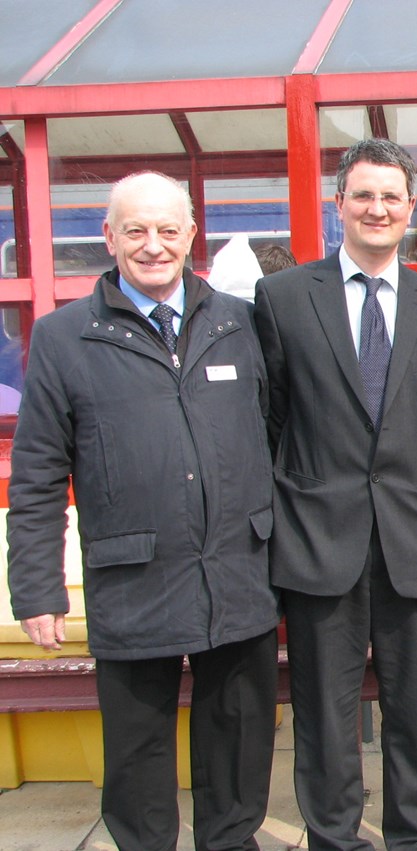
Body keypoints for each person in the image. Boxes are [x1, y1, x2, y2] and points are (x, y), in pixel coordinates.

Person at [6, 171, 279, 851]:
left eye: (166, 229)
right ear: (109, 236)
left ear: (191, 235)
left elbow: (278, 440)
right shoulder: (66, 337)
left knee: (238, 739)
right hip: (133, 574)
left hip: (236, 568)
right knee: (136, 755)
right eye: (135, 230)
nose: (152, 245)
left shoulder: (240, 323)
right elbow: (38, 471)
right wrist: (37, 587)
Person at [254, 138, 417, 851]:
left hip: (409, 539)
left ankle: (414, 837)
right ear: (338, 204)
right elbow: (273, 419)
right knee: (325, 711)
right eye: (363, 195)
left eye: (391, 196)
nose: (377, 208)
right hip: (319, 539)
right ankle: (334, 837)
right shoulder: (283, 298)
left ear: (411, 209)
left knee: (412, 708)